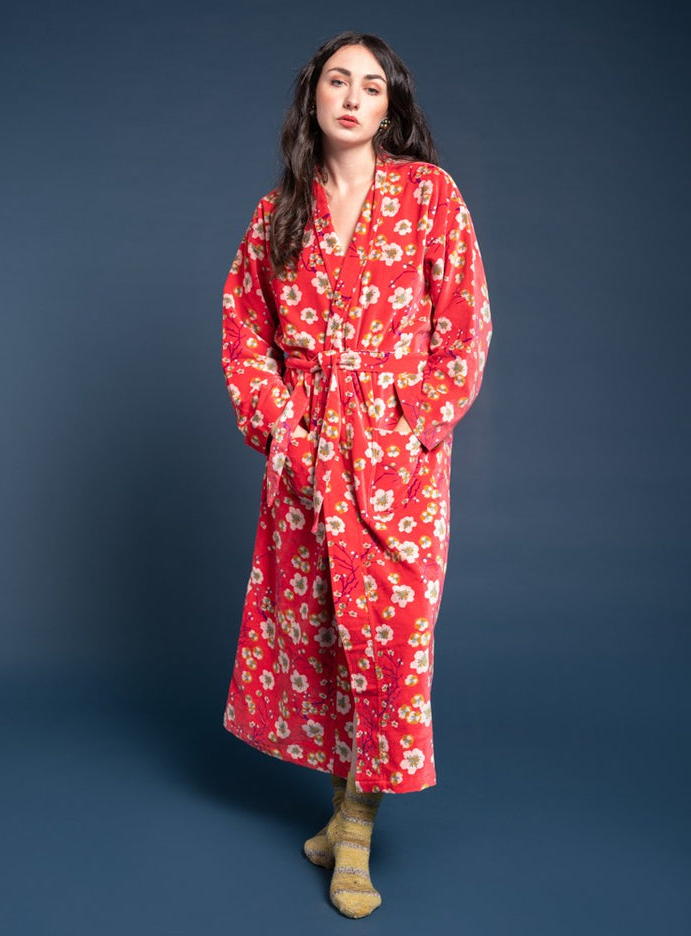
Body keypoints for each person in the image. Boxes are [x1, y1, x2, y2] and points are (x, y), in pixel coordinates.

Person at [221, 31, 492, 918]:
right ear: (314, 97)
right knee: (324, 639)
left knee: (391, 641)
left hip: (396, 462)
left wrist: (414, 427)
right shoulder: (277, 213)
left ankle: (357, 834)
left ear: (389, 106)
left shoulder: (428, 196)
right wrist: (285, 433)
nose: (351, 98)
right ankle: (341, 812)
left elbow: (465, 325)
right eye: (337, 81)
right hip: (308, 460)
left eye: (370, 86)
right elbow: (244, 332)